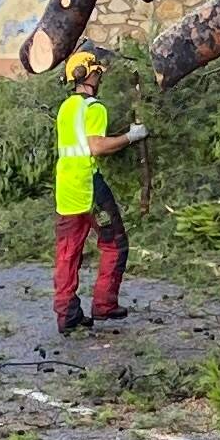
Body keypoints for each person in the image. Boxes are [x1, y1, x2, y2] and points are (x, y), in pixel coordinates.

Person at [49, 45, 142, 336]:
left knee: (67, 251)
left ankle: (67, 314)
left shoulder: (66, 107)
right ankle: (104, 304)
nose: (100, 76)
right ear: (89, 74)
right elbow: (96, 146)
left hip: (65, 187)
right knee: (114, 243)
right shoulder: (94, 108)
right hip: (89, 186)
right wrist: (131, 136)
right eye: (97, 71)